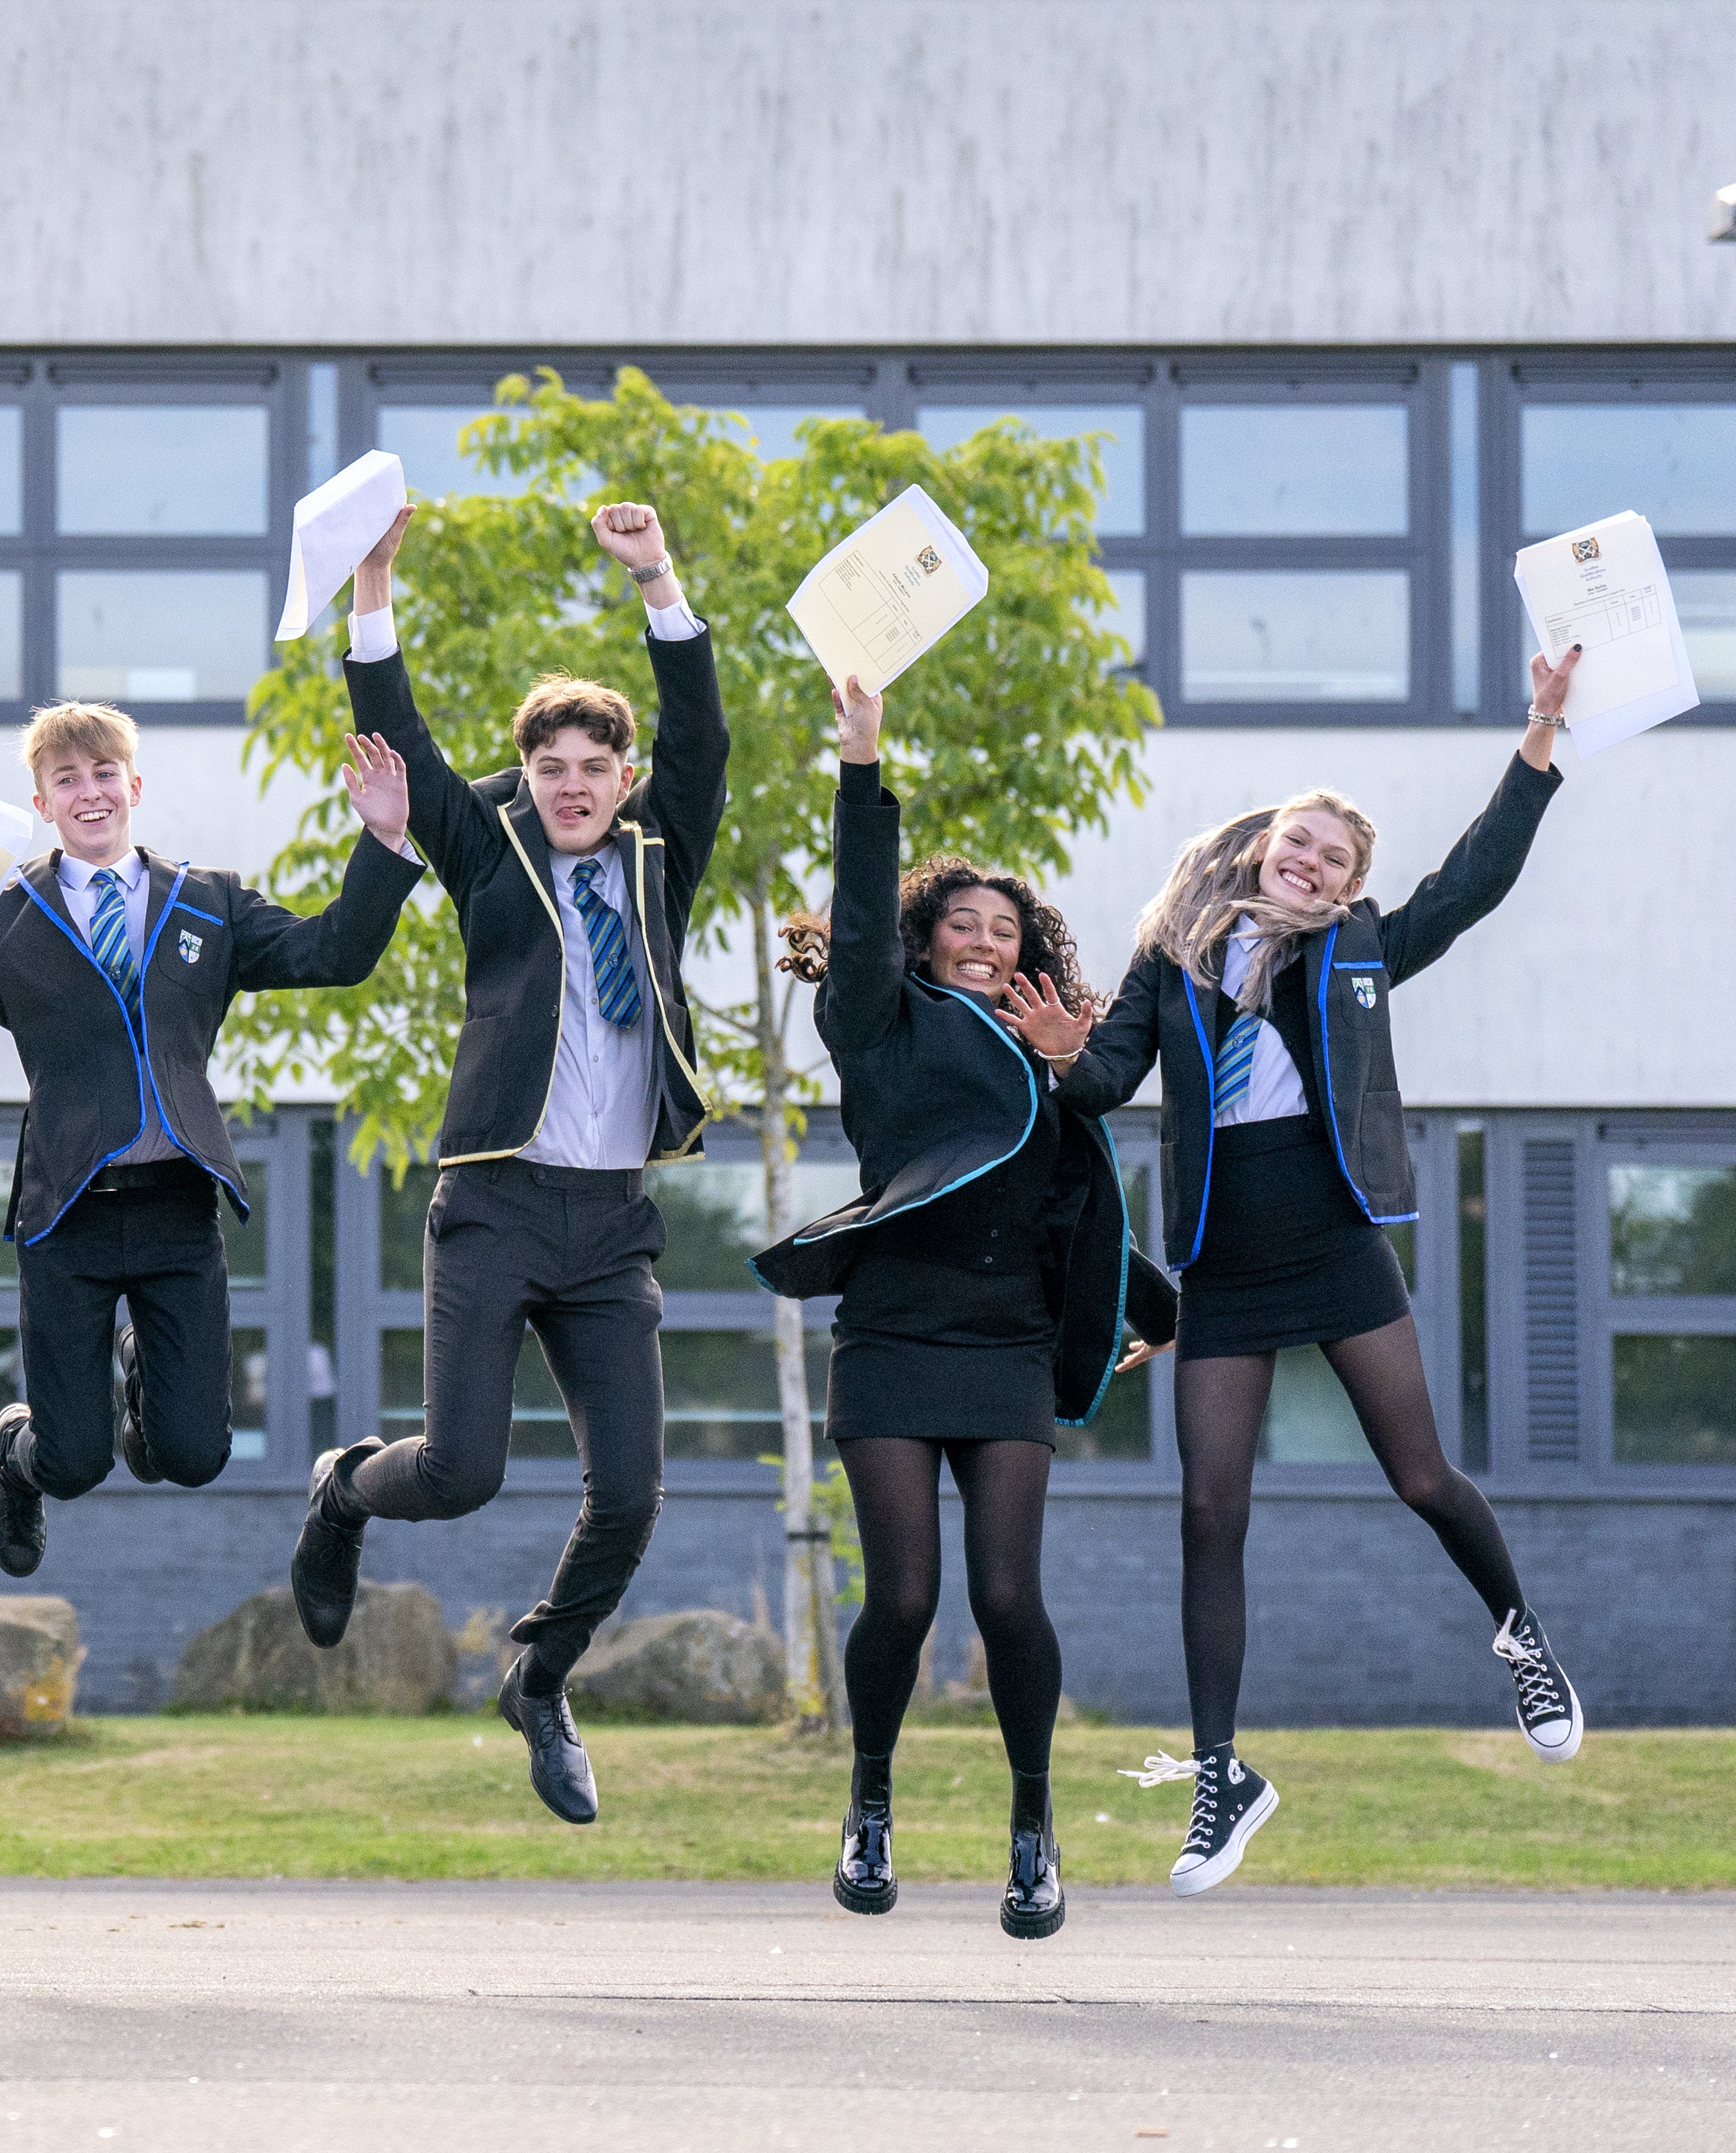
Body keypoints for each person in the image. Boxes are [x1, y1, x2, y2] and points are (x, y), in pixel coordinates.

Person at [1064, 646, 1591, 1896]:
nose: (1307, 864)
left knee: (1418, 1474)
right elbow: (1099, 1087)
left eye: (1332, 858)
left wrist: (1537, 740)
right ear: (1260, 849)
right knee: (1207, 1513)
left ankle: (1520, 1635)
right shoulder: (1170, 961)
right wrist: (1050, 1049)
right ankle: (1217, 1778)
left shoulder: (1357, 953)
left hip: (1334, 1244)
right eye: (1295, 845)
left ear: (1348, 880)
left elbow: (1469, 886)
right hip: (1222, 1266)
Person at [284, 497, 728, 1826]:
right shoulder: (487, 863)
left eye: (596, 765)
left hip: (611, 1224)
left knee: (632, 1494)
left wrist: (654, 573)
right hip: (492, 1206)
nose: (574, 784)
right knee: (462, 1473)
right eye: (552, 769)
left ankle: (538, 1675)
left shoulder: (664, 853)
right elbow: (404, 745)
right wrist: (372, 590)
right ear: (526, 780)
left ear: (623, 774)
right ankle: (343, 1493)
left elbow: (702, 733)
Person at [753, 676, 1177, 1940]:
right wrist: (861, 756)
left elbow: (1072, 1206)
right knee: (901, 1599)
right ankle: (869, 1803)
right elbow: (866, 917)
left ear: (1028, 946)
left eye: (1005, 926)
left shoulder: (1056, 1058)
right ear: (924, 939)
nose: (984, 938)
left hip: (1001, 1346)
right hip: (889, 1337)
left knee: (1006, 1599)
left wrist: (1145, 1306)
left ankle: (1033, 1830)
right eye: (962, 923)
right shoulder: (876, 1022)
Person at [0, 701, 420, 1572]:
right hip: (66, 1214)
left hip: (179, 1210)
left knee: (193, 1455)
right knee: (71, 1463)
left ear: (132, 785)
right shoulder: (4, 916)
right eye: (67, 779)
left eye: (103, 773)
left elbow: (333, 951)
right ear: (42, 802)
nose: (89, 792)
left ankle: (142, 1365)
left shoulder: (206, 900)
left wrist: (383, 842)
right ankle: (15, 1454)